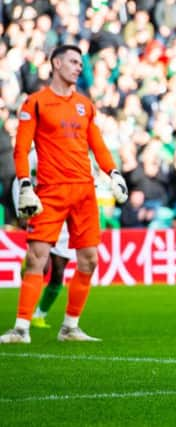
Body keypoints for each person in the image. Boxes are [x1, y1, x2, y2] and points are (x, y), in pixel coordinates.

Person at [0, 44, 128, 344]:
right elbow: (21, 149)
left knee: (90, 259)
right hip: (50, 192)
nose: (78, 67)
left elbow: (97, 144)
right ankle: (21, 328)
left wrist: (114, 172)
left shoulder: (85, 105)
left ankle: (70, 326)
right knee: (36, 257)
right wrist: (25, 183)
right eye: (72, 61)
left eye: (80, 63)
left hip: (85, 191)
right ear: (56, 63)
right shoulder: (35, 103)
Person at [11, 146, 75, 329]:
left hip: (64, 217)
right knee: (42, 266)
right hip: (42, 212)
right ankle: (24, 317)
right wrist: (21, 210)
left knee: (59, 271)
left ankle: (40, 315)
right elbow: (20, 182)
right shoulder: (35, 154)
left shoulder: (74, 151)